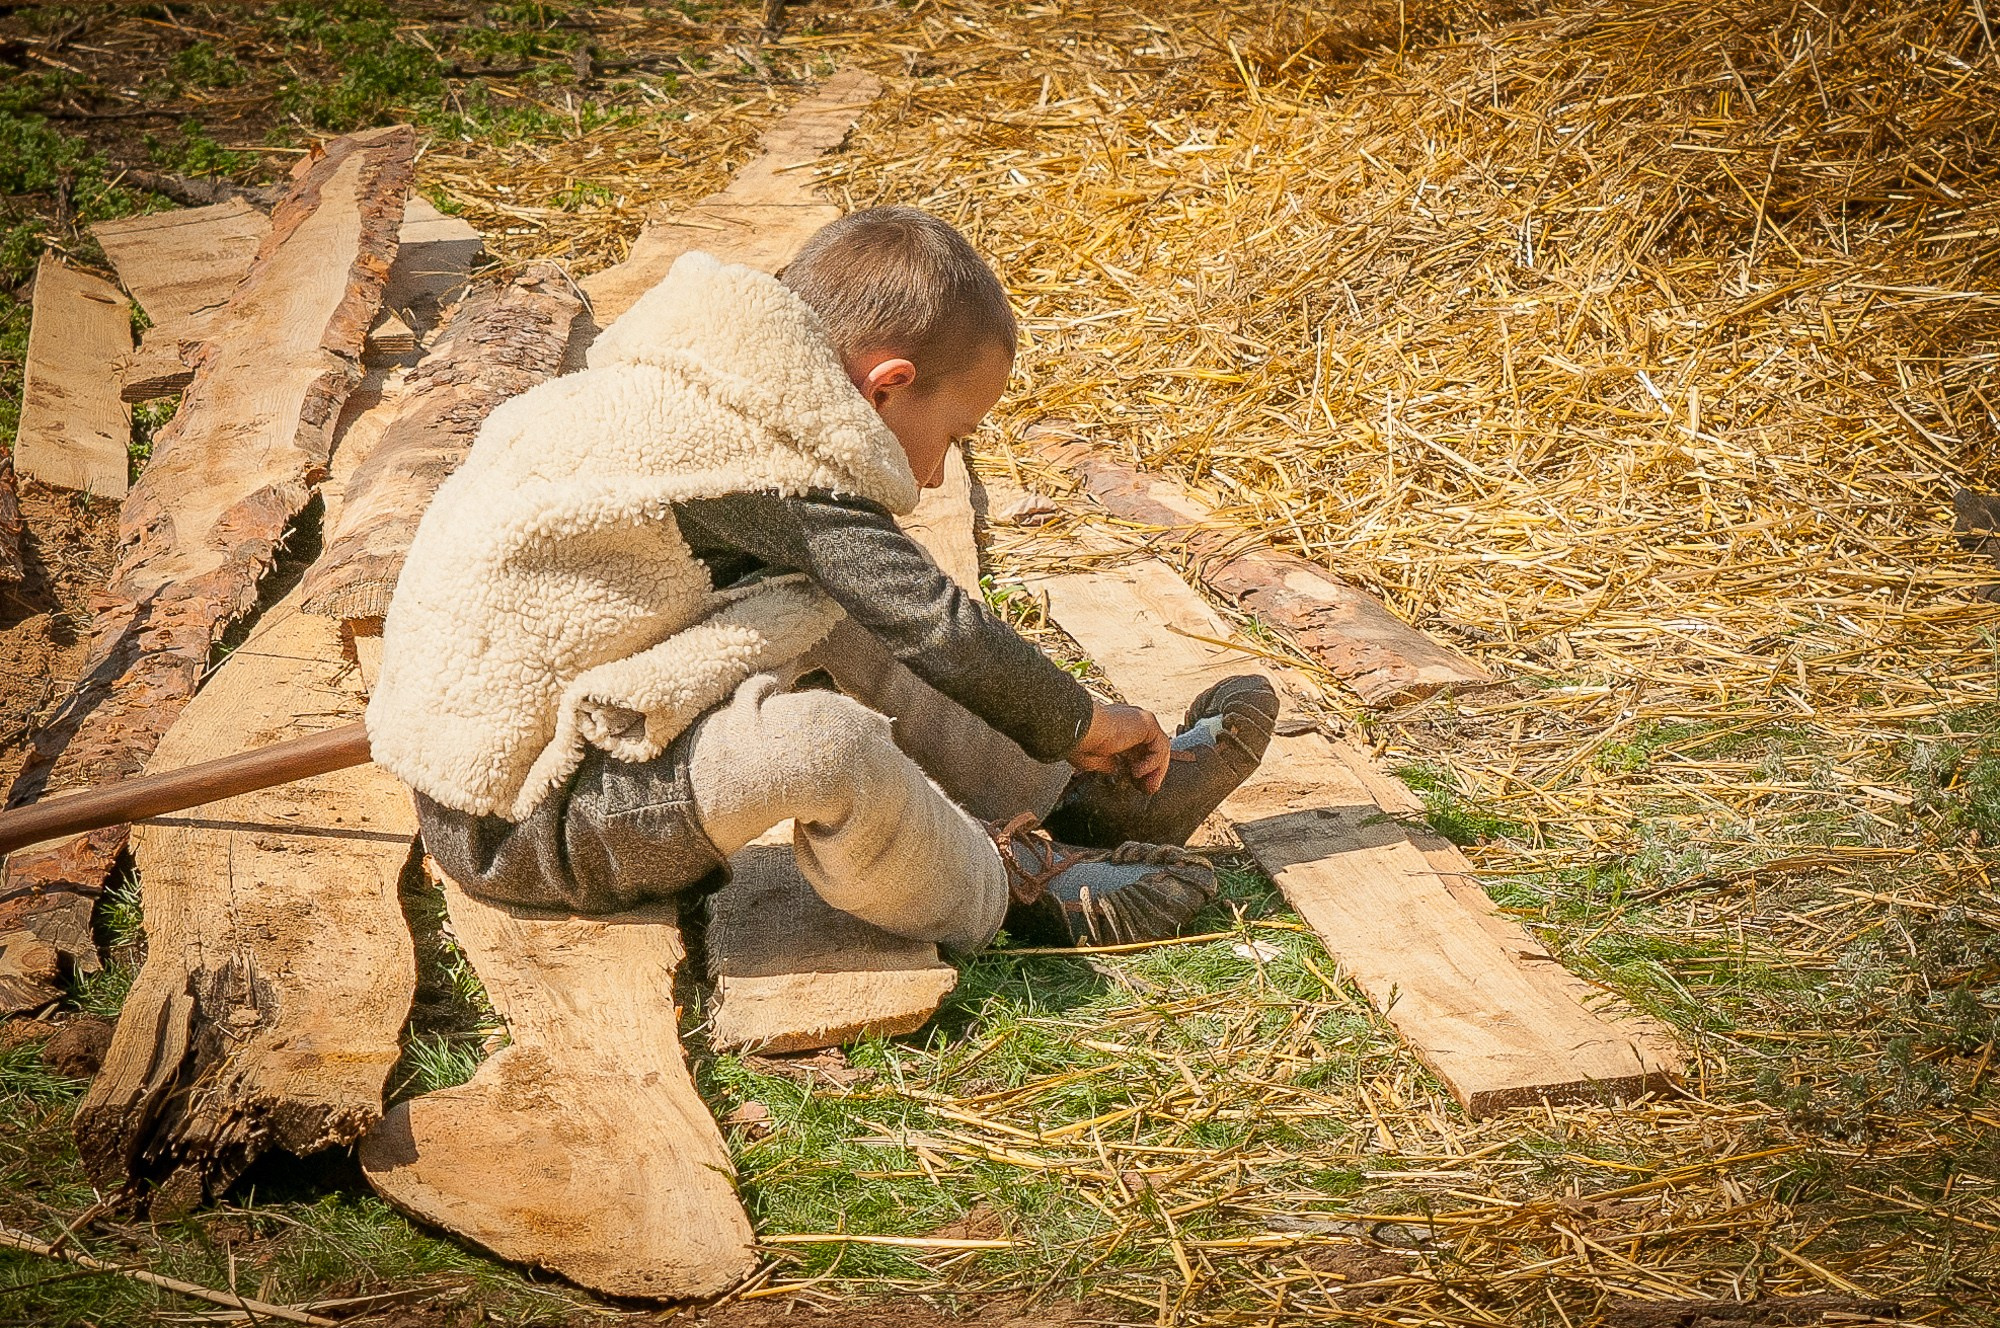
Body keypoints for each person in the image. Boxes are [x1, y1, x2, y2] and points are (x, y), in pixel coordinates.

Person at [367, 206, 1278, 953]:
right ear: (885, 387)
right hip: (531, 820)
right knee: (821, 745)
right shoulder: (751, 454)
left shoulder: (710, 391)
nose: (932, 478)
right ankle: (1000, 884)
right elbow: (936, 625)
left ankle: (1065, 800)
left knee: (835, 608)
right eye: (952, 439)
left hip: (582, 734)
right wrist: (1088, 719)